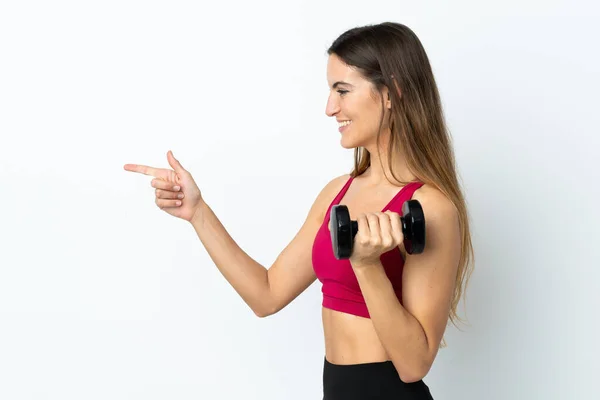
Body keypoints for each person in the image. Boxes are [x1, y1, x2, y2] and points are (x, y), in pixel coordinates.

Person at [124, 21, 474, 400]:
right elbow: (267, 295)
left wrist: (367, 265)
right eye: (330, 91)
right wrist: (197, 212)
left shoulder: (430, 207)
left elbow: (414, 365)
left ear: (392, 92)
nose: (329, 108)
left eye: (342, 91)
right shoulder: (336, 193)